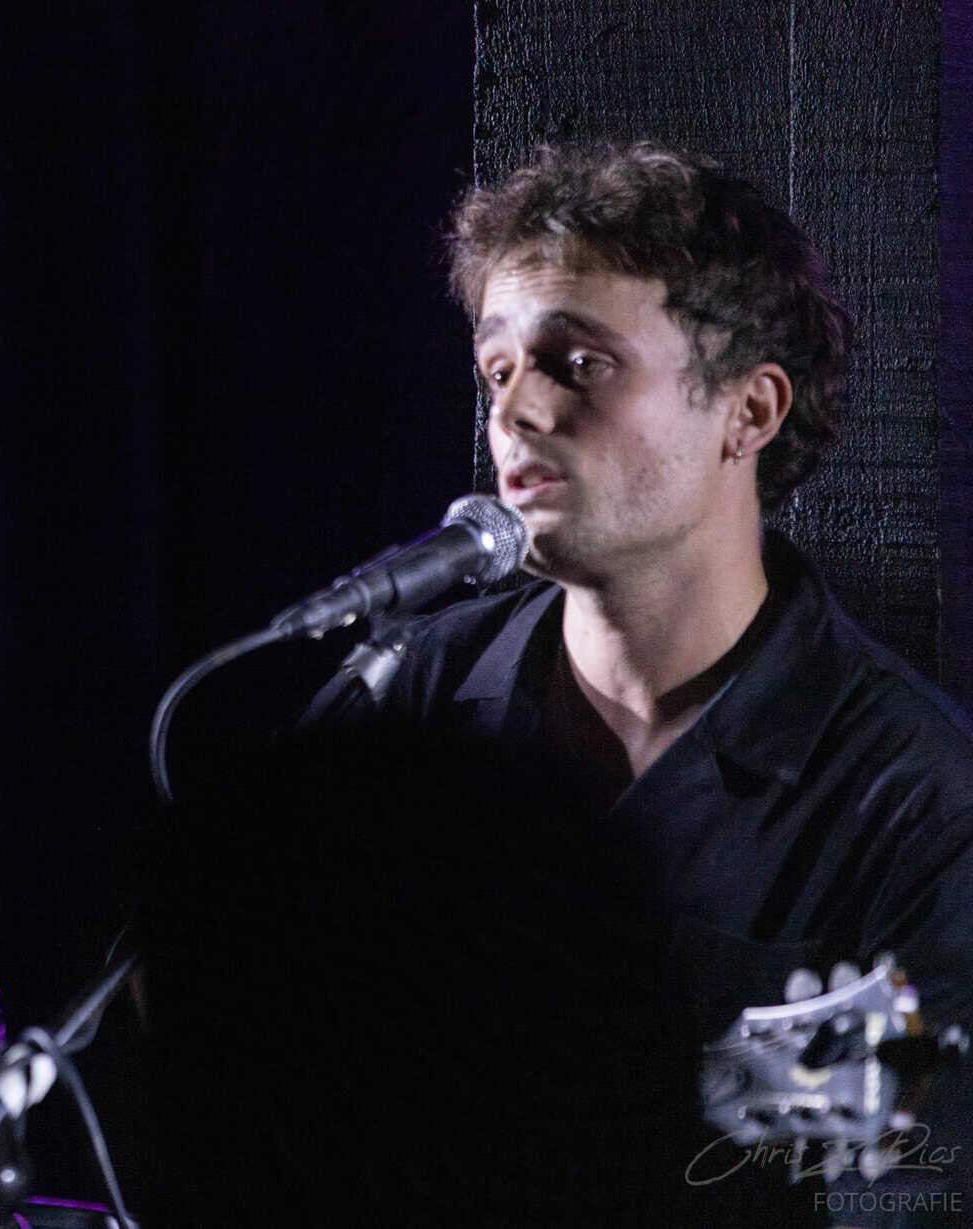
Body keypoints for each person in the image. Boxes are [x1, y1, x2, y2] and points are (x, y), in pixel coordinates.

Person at [337, 141, 973, 1221]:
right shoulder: (410, 692)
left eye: (578, 363)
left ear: (749, 411)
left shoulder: (915, 802)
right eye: (498, 369)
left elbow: (913, 1187)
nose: (515, 410)